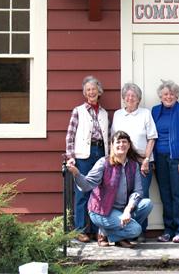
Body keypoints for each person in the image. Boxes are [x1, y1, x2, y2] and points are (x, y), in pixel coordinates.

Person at [66, 131, 153, 248]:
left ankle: (109, 234)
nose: (121, 144)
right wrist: (77, 174)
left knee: (147, 204)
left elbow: (138, 191)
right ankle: (112, 234)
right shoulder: (104, 163)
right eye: (118, 142)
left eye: (124, 142)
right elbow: (86, 185)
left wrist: (128, 210)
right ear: (112, 145)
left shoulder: (133, 165)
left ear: (129, 145)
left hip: (122, 209)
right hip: (102, 211)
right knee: (135, 230)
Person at [111, 83, 158, 240]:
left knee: (141, 196)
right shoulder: (118, 114)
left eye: (134, 96)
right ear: (124, 98)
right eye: (127, 96)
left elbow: (152, 138)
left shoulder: (145, 113)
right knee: (123, 196)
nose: (130, 98)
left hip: (143, 162)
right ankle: (125, 230)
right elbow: (114, 140)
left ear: (139, 99)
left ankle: (139, 231)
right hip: (123, 162)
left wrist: (146, 160)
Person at [65, 75, 109, 243]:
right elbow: (70, 135)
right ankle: (81, 230)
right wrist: (70, 157)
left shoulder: (104, 113)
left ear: (99, 92)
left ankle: (100, 230)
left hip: (101, 153)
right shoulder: (78, 111)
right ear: (85, 93)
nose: (91, 92)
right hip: (84, 154)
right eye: (88, 90)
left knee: (100, 192)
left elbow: (108, 136)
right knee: (82, 192)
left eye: (94, 89)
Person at [152, 80, 179, 243]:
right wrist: (152, 158)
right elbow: (151, 135)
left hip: (177, 159)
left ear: (176, 95)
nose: (168, 97)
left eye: (171, 94)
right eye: (165, 94)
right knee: (165, 195)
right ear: (160, 97)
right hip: (160, 159)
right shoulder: (155, 111)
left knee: (178, 196)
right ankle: (168, 230)